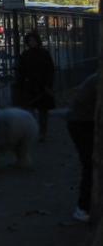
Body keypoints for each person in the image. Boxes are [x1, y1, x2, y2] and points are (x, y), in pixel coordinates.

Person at [66, 72, 96, 222]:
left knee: (90, 164)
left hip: (81, 120)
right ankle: (83, 207)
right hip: (82, 123)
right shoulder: (96, 80)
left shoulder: (95, 78)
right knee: (89, 164)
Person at [15, 32, 55, 141]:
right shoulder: (27, 54)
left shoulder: (40, 54)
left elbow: (50, 70)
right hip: (31, 86)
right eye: (30, 41)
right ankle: (35, 131)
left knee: (42, 111)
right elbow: (21, 71)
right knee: (32, 110)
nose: (32, 43)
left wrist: (48, 84)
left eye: (33, 40)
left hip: (41, 86)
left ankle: (42, 132)